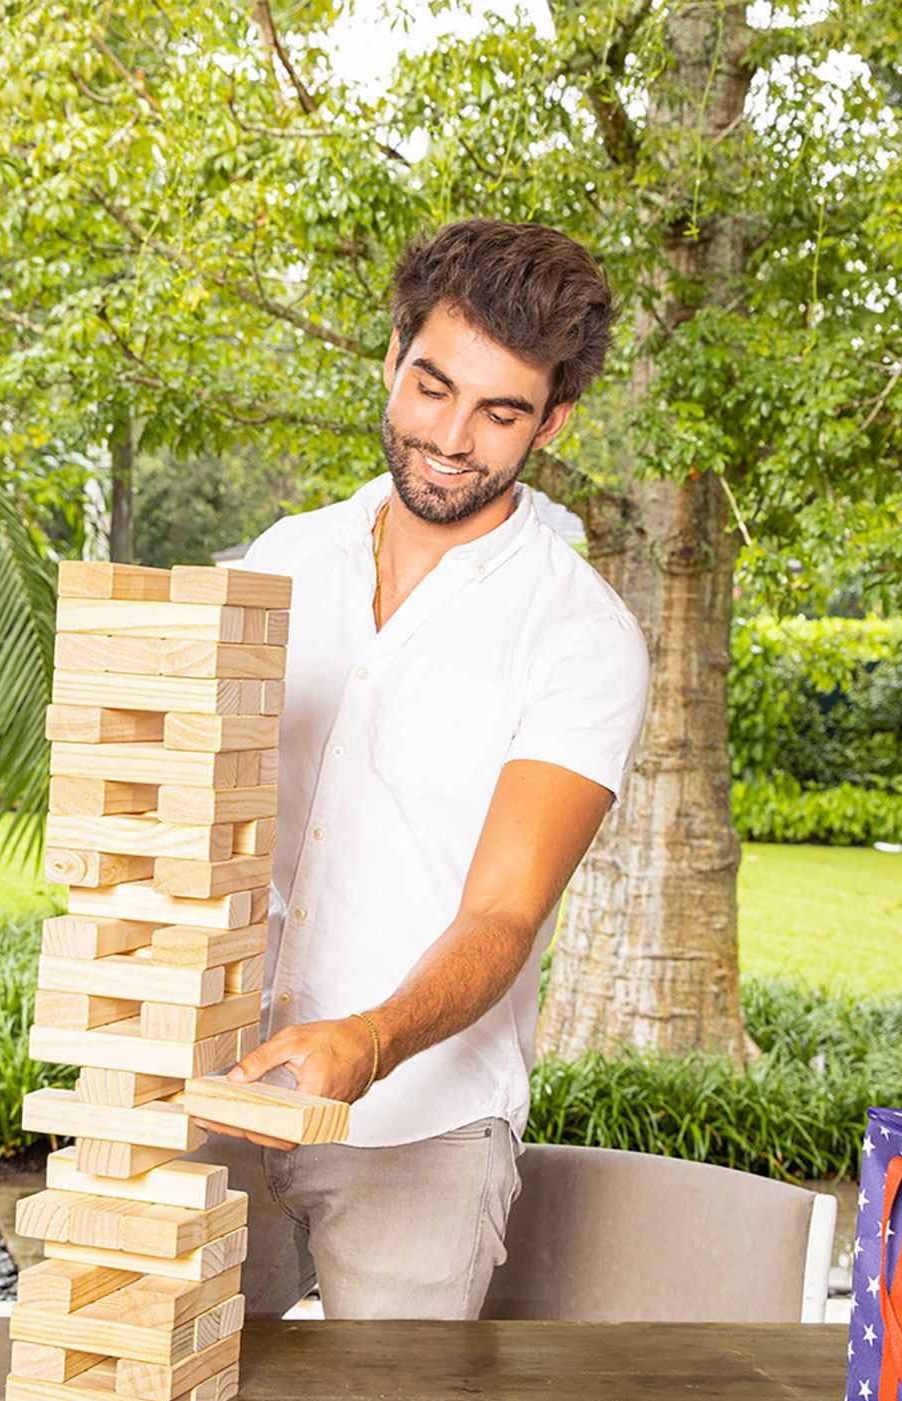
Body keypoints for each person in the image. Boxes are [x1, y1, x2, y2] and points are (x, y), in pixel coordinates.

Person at [186, 219, 650, 1320]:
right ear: (391, 353)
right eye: (431, 386)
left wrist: (370, 1038)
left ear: (553, 420)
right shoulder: (279, 560)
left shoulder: (578, 633)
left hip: (420, 1132)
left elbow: (501, 911)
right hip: (224, 1097)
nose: (450, 437)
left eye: (498, 413)